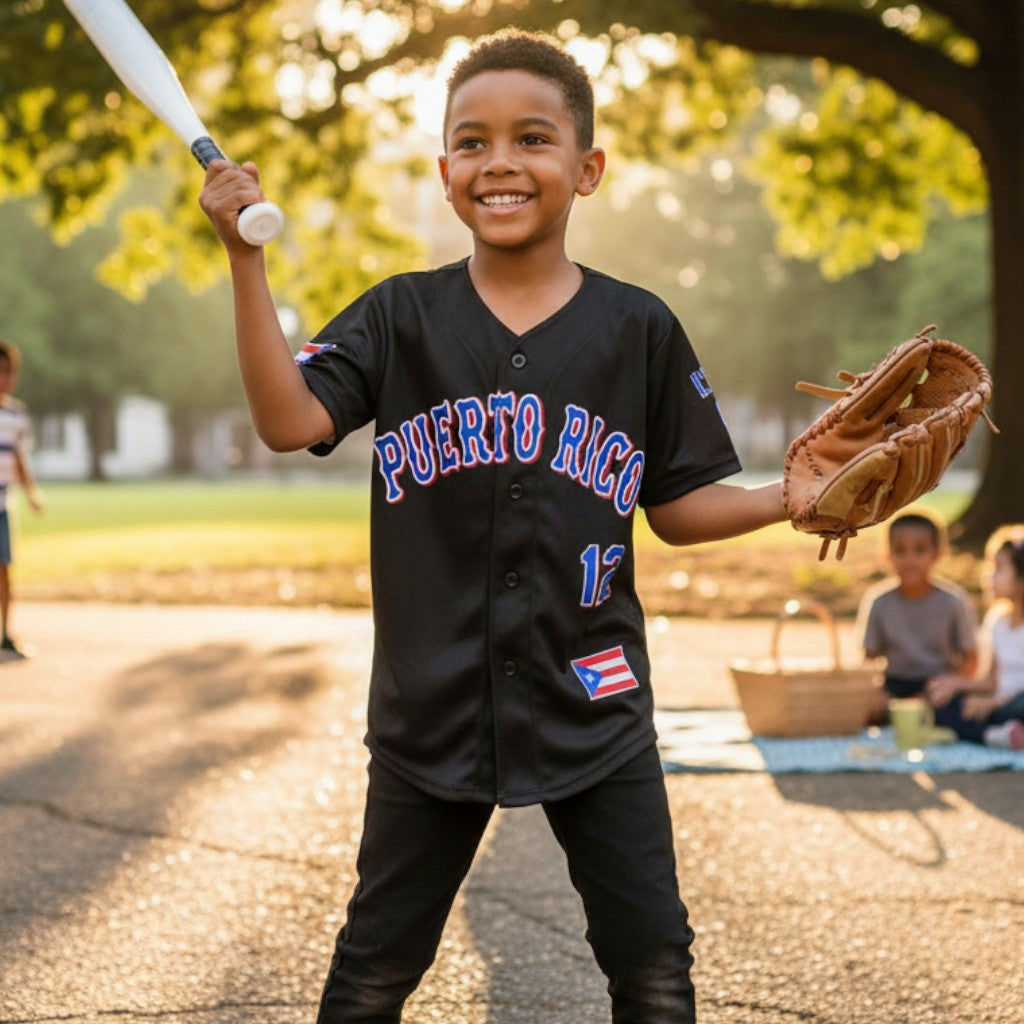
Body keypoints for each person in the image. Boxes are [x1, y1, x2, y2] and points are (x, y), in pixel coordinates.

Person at [200, 30, 786, 1023]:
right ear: (443, 171)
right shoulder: (397, 317)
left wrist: (792, 497)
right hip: (432, 710)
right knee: (374, 967)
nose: (500, 162)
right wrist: (243, 261)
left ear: (587, 167)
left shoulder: (637, 328)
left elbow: (677, 505)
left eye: (533, 138)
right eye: (471, 142)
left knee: (653, 967)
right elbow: (288, 418)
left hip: (593, 700)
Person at [856, 510, 979, 723]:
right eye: (900, 551)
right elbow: (868, 658)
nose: (909, 560)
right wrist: (876, 694)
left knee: (952, 710)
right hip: (893, 685)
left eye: (919, 550)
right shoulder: (879, 601)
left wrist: (949, 684)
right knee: (864, 709)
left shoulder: (954, 601)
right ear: (887, 555)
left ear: (937, 554)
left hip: (937, 684)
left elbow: (971, 659)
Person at [925, 526, 1024, 749]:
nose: (989, 575)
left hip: (1013, 704)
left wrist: (992, 703)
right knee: (944, 707)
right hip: (998, 708)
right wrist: (954, 685)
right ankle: (996, 736)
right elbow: (991, 680)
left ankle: (989, 735)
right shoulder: (997, 622)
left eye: (998, 568)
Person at [0, 340, 44, 660]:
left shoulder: (15, 414)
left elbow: (19, 457)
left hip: (2, 504)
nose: (6, 378)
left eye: (10, 372)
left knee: (4, 570)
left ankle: (4, 634)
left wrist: (31, 493)